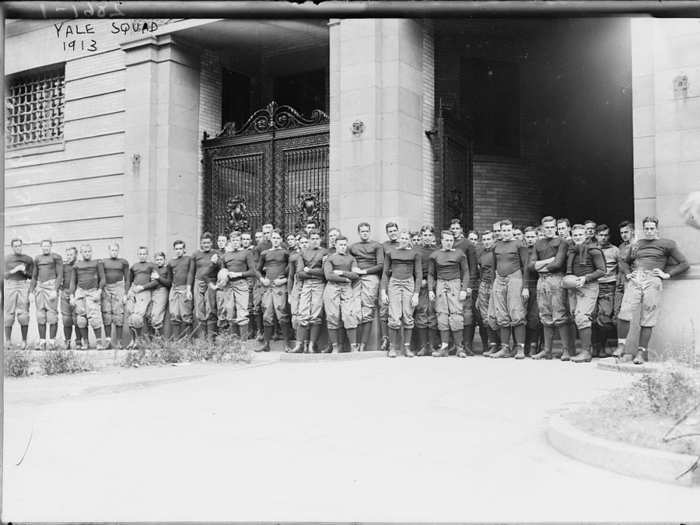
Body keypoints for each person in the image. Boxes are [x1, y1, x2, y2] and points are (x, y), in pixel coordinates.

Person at [615, 216, 689, 364]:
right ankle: (621, 346)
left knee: (647, 318)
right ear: (643, 229)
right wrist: (628, 273)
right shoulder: (637, 244)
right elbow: (623, 261)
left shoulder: (667, 244)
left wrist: (666, 274)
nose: (649, 231)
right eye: (646, 228)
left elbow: (684, 263)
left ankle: (641, 353)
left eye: (651, 228)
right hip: (636, 278)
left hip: (653, 280)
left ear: (656, 229)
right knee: (624, 312)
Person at [529, 216, 572, 360]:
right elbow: (531, 266)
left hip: (556, 279)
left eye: (552, 227)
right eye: (546, 227)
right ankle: (547, 350)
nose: (549, 230)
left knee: (559, 314)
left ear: (555, 227)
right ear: (542, 228)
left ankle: (566, 350)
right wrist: (548, 261)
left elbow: (558, 264)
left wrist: (540, 265)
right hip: (541, 282)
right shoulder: (538, 243)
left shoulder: (562, 242)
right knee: (545, 315)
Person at [487, 219, 530, 359]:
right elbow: (493, 267)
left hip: (515, 279)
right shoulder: (496, 246)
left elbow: (526, 267)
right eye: (503, 230)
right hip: (499, 280)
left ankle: (520, 349)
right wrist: (494, 285)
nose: (505, 233)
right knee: (502, 314)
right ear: (500, 231)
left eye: (508, 230)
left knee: (516, 313)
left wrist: (525, 287)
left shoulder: (519, 244)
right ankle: (505, 348)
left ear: (512, 230)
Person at [566, 224, 606, 363]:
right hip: (573, 287)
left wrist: (586, 278)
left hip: (588, 286)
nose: (577, 238)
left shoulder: (593, 250)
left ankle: (586, 352)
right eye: (575, 235)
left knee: (583, 317)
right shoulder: (571, 250)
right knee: (576, 316)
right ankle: (589, 348)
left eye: (580, 235)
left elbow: (602, 270)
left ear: (586, 235)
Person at [429, 230, 470, 357]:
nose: (449, 243)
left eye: (451, 240)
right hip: (441, 284)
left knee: (456, 314)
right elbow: (431, 274)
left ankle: (459, 348)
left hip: (455, 284)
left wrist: (463, 289)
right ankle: (445, 347)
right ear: (441, 241)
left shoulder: (459, 254)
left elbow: (466, 272)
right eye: (446, 240)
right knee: (442, 314)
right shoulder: (435, 255)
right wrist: (431, 289)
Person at [381, 230, 421, 358]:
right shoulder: (390, 253)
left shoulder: (415, 253)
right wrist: (383, 291)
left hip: (409, 283)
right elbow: (385, 273)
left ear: (409, 240)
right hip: (394, 283)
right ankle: (392, 347)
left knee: (408, 315)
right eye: (401, 238)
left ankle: (407, 348)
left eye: (406, 238)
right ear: (398, 239)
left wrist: (416, 294)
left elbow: (419, 274)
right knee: (394, 315)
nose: (403, 240)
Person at [349, 222, 384, 352]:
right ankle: (355, 344)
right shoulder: (352, 247)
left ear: (370, 231)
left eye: (366, 231)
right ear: (358, 232)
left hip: (371, 278)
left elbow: (380, 265)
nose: (364, 233)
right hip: (356, 278)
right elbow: (348, 261)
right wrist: (354, 270)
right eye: (362, 231)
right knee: (355, 309)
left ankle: (363, 345)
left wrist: (365, 271)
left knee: (368, 311)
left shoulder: (377, 246)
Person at [323, 235, 361, 352]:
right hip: (332, 288)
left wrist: (341, 272)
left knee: (350, 315)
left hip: (347, 289)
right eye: (340, 245)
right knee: (332, 315)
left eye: (345, 245)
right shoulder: (330, 258)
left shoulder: (351, 259)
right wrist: (345, 278)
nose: (343, 247)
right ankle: (335, 346)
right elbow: (328, 275)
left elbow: (355, 275)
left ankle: (353, 346)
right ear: (335, 245)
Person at [256, 229, 290, 352]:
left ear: (281, 239)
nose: (275, 240)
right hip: (267, 286)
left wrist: (284, 279)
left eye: (277, 238)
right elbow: (257, 270)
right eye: (273, 238)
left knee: (282, 314)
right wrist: (262, 279)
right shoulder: (264, 253)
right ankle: (266, 344)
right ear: (270, 239)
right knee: (267, 314)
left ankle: (286, 344)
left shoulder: (285, 253)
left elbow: (291, 269)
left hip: (279, 286)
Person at [216, 235, 256, 341]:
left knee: (242, 313)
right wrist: (222, 279)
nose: (235, 242)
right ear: (230, 241)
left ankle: (243, 342)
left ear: (241, 241)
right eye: (233, 240)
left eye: (237, 240)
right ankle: (233, 341)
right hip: (228, 286)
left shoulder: (246, 253)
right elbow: (222, 272)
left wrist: (238, 274)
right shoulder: (225, 255)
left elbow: (253, 271)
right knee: (229, 312)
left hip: (241, 284)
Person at [293, 229, 326, 353]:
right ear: (309, 239)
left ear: (321, 239)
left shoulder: (324, 252)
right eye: (312, 238)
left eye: (317, 238)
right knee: (303, 313)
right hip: (306, 285)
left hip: (319, 285)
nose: (315, 241)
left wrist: (310, 271)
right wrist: (313, 274)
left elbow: (324, 272)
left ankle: (312, 345)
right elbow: (300, 273)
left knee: (316, 314)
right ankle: (299, 344)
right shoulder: (303, 253)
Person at [449, 219, 479, 355]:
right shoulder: (448, 242)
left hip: (465, 283)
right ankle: (455, 344)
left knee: (467, 313)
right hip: (451, 282)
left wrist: (469, 286)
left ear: (461, 229)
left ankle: (467, 344)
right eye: (452, 228)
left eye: (457, 228)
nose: (455, 230)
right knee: (453, 314)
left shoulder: (467, 244)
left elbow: (473, 267)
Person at [69, 244, 105, 350]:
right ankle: (85, 341)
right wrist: (72, 296)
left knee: (95, 319)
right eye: (85, 252)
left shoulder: (97, 263)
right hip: (80, 293)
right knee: (81, 319)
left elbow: (102, 279)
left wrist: (99, 291)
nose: (87, 253)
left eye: (89, 251)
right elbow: (72, 282)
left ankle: (98, 342)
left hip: (93, 292)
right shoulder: (77, 265)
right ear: (81, 253)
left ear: (92, 252)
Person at [30, 239, 62, 350]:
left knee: (52, 315)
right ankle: (42, 341)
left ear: (51, 246)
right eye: (43, 246)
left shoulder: (56, 257)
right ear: (41, 247)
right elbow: (34, 276)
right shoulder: (37, 258)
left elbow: (60, 275)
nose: (46, 248)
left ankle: (52, 342)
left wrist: (55, 289)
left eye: (48, 246)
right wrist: (31, 291)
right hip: (40, 287)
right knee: (40, 315)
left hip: (51, 286)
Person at [593, 224, 620, 357]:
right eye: (600, 235)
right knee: (591, 318)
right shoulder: (591, 249)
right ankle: (594, 348)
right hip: (592, 286)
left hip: (609, 285)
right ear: (596, 235)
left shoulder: (615, 250)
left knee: (604, 318)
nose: (603, 238)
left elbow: (620, 268)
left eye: (606, 235)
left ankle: (602, 348)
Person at [126, 246, 158, 349]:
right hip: (133, 291)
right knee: (130, 315)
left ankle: (139, 340)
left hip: (144, 291)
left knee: (138, 316)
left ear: (147, 255)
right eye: (140, 254)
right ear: (138, 255)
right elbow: (128, 281)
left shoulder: (151, 266)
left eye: (144, 254)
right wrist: (127, 293)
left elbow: (155, 281)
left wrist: (143, 287)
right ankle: (133, 340)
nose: (142, 256)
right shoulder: (134, 266)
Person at [4, 238, 34, 349]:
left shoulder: (28, 259)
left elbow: (32, 276)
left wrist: (24, 271)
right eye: (15, 246)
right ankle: (8, 341)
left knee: (24, 314)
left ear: (22, 246)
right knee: (8, 314)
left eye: (19, 245)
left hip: (23, 285)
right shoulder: (6, 258)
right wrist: (15, 270)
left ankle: (24, 341)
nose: (18, 248)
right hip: (10, 285)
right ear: (12, 247)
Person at [414, 225, 439, 356]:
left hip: (434, 285)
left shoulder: (437, 250)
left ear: (433, 237)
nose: (427, 238)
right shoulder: (416, 250)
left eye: (430, 235)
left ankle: (432, 346)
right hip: (421, 286)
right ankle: (423, 346)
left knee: (433, 313)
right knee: (421, 313)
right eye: (425, 235)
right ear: (421, 236)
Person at [100, 242, 130, 350]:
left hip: (118, 288)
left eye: (116, 250)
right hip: (106, 288)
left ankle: (119, 341)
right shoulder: (103, 262)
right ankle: (108, 341)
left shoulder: (123, 262)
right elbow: (100, 277)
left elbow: (127, 279)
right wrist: (102, 290)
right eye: (112, 250)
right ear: (109, 251)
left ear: (118, 250)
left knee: (118, 315)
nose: (114, 252)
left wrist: (126, 293)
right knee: (106, 314)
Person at [191, 232, 220, 342]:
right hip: (198, 282)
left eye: (208, 242)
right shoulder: (195, 254)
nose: (206, 245)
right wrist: (189, 287)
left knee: (210, 309)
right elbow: (191, 272)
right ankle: (202, 338)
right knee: (199, 310)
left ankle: (211, 338)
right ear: (201, 243)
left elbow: (219, 269)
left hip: (211, 283)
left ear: (212, 243)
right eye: (204, 243)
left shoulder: (216, 253)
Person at [476, 231, 500, 355]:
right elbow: (480, 272)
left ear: (493, 239)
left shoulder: (497, 251)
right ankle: (493, 345)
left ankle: (501, 344)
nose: (486, 241)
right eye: (484, 239)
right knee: (485, 317)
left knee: (496, 315)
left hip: (495, 284)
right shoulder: (481, 254)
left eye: (488, 239)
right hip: (484, 286)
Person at [379, 221, 400, 351]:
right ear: (387, 233)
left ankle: (399, 341)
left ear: (398, 231)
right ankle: (385, 338)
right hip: (388, 277)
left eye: (394, 230)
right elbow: (383, 266)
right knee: (384, 309)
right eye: (390, 231)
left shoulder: (404, 243)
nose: (392, 233)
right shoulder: (384, 246)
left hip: (402, 279)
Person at [167, 240, 193, 340]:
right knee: (174, 314)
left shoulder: (189, 259)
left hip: (185, 289)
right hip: (174, 290)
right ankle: (176, 340)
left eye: (180, 249)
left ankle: (188, 340)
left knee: (186, 314)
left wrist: (188, 289)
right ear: (174, 250)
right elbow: (169, 279)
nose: (178, 251)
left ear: (184, 249)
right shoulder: (171, 262)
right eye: (176, 249)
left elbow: (191, 274)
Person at [523, 227, 541, 356]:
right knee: (523, 316)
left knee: (534, 317)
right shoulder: (523, 250)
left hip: (537, 286)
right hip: (524, 286)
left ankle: (534, 345)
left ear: (537, 237)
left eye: (532, 237)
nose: (530, 239)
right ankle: (525, 345)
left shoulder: (539, 250)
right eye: (528, 237)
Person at [148, 251, 172, 339]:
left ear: (165, 260)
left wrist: (158, 278)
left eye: (161, 259)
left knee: (157, 314)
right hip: (153, 292)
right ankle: (152, 338)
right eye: (157, 260)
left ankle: (158, 339)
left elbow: (169, 283)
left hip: (162, 291)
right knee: (150, 314)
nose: (159, 261)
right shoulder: (153, 270)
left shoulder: (166, 269)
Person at [287, 233, 308, 336]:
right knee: (295, 312)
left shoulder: (313, 255)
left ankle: (306, 340)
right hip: (297, 282)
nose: (304, 244)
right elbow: (291, 276)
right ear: (298, 244)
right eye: (302, 242)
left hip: (309, 283)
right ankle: (297, 336)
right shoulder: (294, 256)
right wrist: (290, 293)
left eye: (306, 242)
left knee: (306, 312)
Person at [60, 247, 78, 349]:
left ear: (76, 255)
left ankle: (79, 341)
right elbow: (57, 276)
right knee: (66, 319)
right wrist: (61, 289)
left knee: (77, 318)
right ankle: (67, 341)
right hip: (65, 292)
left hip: (76, 293)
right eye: (68, 255)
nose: (69, 257)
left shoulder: (78, 265)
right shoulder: (64, 266)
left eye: (71, 254)